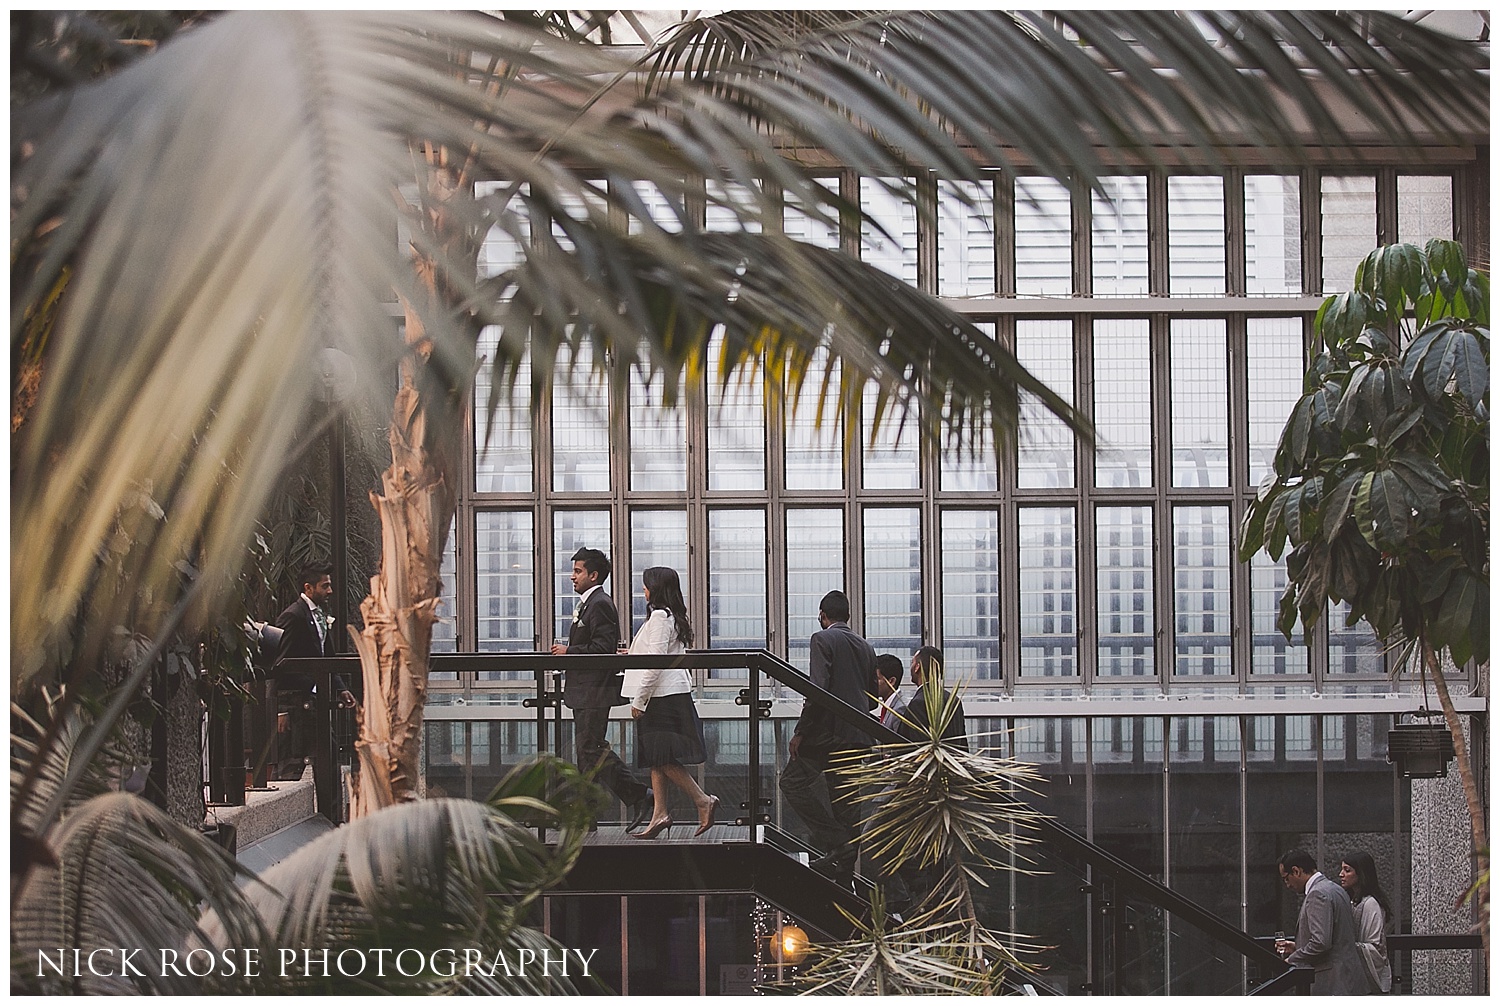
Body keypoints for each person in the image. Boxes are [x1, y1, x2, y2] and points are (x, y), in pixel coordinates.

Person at [779, 589, 877, 885]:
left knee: (791, 783)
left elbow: (817, 690)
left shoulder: (822, 639)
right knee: (847, 803)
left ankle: (837, 842)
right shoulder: (866, 646)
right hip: (858, 735)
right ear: (847, 615)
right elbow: (872, 699)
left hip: (827, 733)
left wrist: (801, 731)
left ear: (823, 615)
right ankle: (844, 873)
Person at [550, 547, 652, 830]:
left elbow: (603, 648)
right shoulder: (589, 603)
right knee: (586, 753)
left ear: (593, 575)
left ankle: (638, 794)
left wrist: (568, 651)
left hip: (593, 689)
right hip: (584, 690)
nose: (572, 577)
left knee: (591, 748)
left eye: (578, 571)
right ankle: (586, 817)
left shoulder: (600, 603)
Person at [625, 566, 720, 839]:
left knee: (662, 757)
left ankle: (703, 800)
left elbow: (655, 664)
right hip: (670, 694)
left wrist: (639, 701)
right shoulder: (671, 616)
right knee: (658, 757)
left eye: (645, 585)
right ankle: (660, 814)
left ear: (655, 588)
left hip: (660, 697)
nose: (643, 590)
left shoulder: (658, 617)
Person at [272, 564, 354, 779]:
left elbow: (326, 657)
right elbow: (281, 663)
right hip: (298, 701)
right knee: (293, 759)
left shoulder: (319, 616)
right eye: (325, 586)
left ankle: (331, 810)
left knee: (329, 755)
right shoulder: (293, 616)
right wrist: (282, 710)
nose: (330, 591)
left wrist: (341, 689)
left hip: (316, 700)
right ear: (308, 588)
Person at [1276, 849, 1366, 995]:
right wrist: (1298, 946)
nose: (1287, 885)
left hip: (1333, 983)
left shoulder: (1317, 894)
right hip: (1347, 979)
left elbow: (1320, 943)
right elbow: (1336, 937)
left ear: (1296, 871)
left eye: (1286, 878)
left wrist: (1291, 960)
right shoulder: (1334, 888)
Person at [1340, 851, 1393, 994]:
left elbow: (1375, 946)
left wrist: (1344, 946)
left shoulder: (1371, 904)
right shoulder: (1352, 901)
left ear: (1360, 873)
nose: (1341, 874)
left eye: (1347, 870)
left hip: (1368, 977)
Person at [896, 646, 968, 750]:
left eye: (912, 663)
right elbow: (962, 745)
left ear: (917, 667)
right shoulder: (954, 700)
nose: (911, 667)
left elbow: (919, 748)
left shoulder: (918, 703)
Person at [874, 654, 907, 731]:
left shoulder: (900, 709)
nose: (873, 683)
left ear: (891, 681)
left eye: (877, 678)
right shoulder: (888, 707)